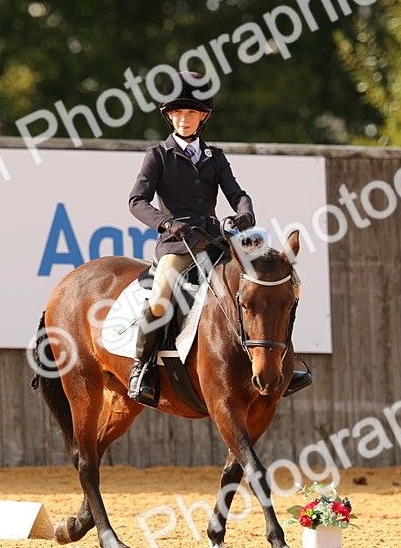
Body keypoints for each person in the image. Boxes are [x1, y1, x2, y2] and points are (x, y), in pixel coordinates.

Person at [125, 71, 311, 406]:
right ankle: (143, 368)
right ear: (169, 116)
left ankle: (284, 363)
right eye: (178, 113)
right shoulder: (158, 155)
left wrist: (245, 212)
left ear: (203, 117)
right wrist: (166, 223)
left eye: (192, 113)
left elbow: (237, 193)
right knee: (160, 298)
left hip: (216, 242)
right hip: (178, 246)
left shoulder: (215, 157)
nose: (184, 119)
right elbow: (137, 201)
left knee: (266, 288)